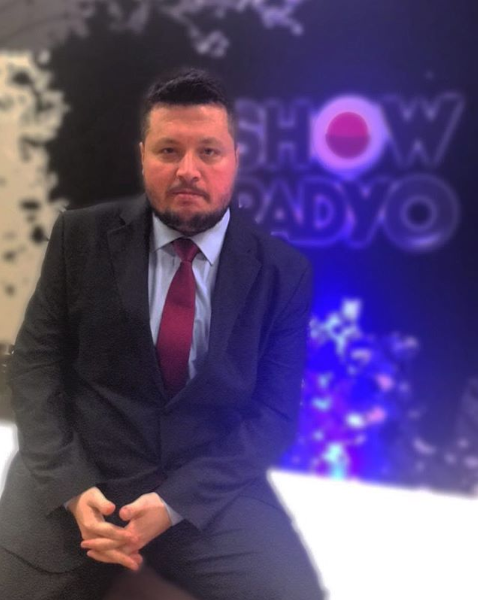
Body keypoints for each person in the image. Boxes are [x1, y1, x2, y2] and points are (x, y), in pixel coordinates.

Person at [0, 68, 326, 600]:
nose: (187, 170)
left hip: (209, 489)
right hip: (80, 474)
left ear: (235, 158)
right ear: (142, 156)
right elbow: (35, 368)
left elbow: (273, 417)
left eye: (209, 152)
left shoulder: (283, 272)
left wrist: (174, 504)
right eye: (168, 150)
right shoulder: (78, 237)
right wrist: (71, 487)